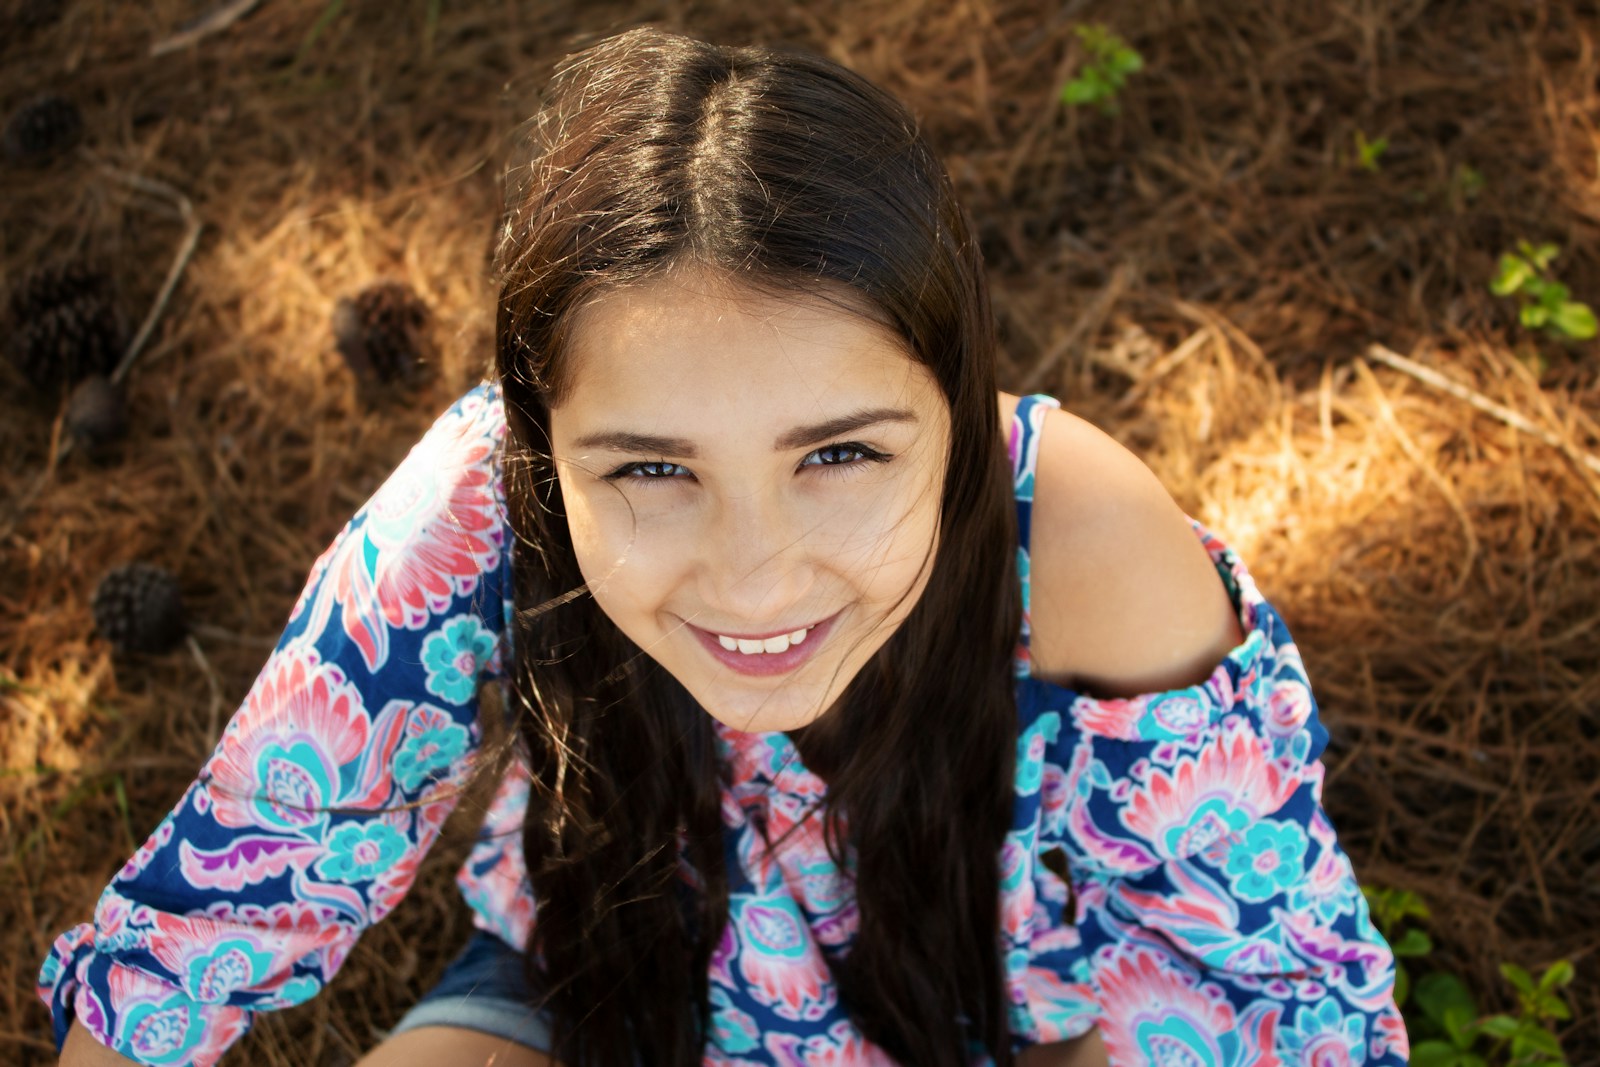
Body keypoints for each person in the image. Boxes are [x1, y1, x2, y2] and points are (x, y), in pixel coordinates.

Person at [43, 27, 1408, 1067]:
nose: (755, 576)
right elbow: (221, 902)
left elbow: (1266, 994)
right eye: (650, 469)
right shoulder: (483, 498)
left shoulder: (1077, 528)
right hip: (593, 984)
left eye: (840, 455)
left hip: (994, 1020)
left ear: (955, 402)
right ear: (540, 439)